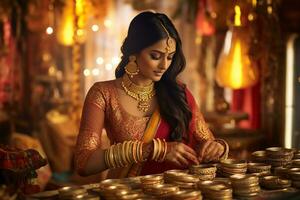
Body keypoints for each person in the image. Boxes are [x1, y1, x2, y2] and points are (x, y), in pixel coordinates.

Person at [75, 11, 229, 179]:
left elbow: (207, 143)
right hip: (128, 191)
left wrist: (217, 148)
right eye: (155, 56)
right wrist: (153, 149)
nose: (164, 65)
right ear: (134, 52)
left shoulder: (179, 94)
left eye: (170, 57)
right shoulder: (103, 94)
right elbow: (84, 163)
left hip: (179, 191)